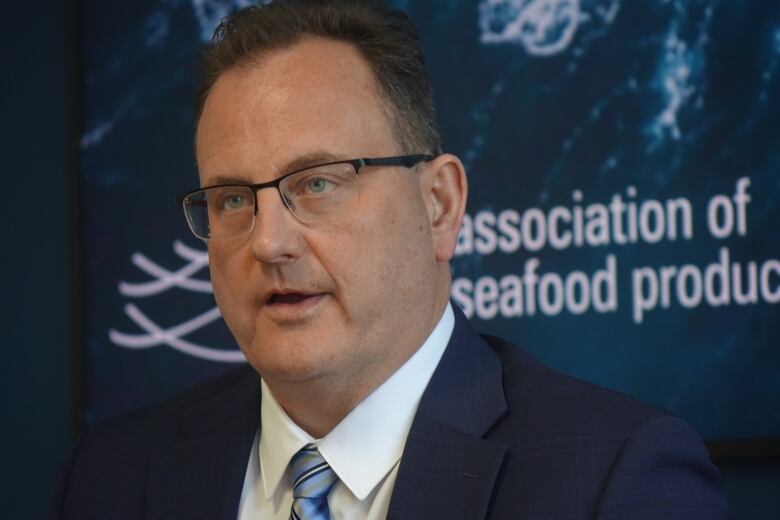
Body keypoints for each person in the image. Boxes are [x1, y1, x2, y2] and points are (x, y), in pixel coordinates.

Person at [51, 1, 731, 518]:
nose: (268, 241)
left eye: (317, 183)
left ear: (439, 205)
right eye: (233, 199)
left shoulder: (617, 479)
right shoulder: (111, 478)